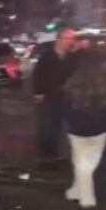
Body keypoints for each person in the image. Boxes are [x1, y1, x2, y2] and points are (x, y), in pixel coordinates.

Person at [63, 48, 106, 208]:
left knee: (81, 162)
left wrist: (70, 119)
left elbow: (66, 106)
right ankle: (77, 191)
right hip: (99, 128)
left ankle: (87, 197)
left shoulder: (73, 81)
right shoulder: (105, 81)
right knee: (87, 162)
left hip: (77, 127)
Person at [32, 28, 78, 161]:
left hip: (69, 97)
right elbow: (38, 75)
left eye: (73, 39)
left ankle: (65, 152)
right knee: (49, 124)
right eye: (68, 38)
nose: (71, 42)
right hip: (50, 96)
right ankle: (47, 152)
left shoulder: (73, 57)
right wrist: (38, 92)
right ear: (58, 39)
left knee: (67, 125)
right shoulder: (47, 56)